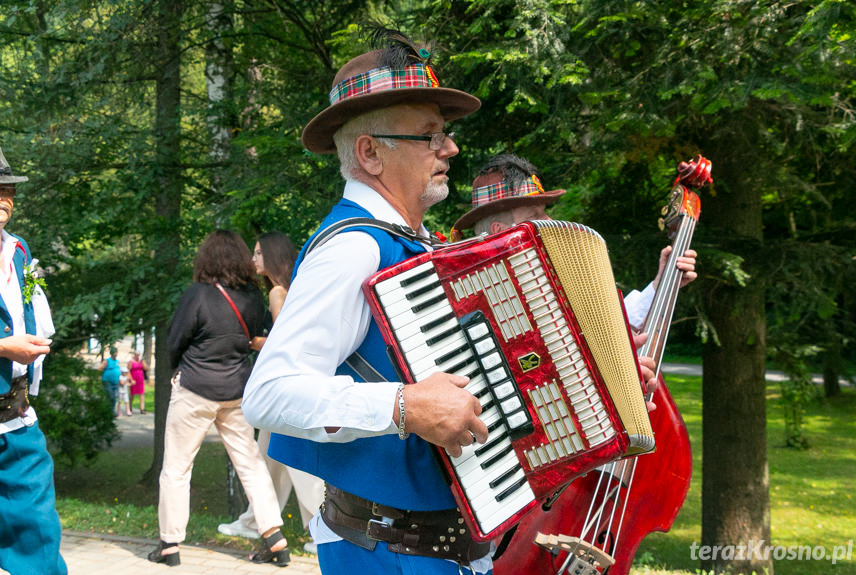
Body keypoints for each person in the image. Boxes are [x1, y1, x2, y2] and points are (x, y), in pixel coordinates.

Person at [243, 28, 660, 575]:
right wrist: (404, 407)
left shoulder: (416, 246)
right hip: (386, 555)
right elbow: (269, 394)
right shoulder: (353, 247)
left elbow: (492, 375)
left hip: (446, 550)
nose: (451, 149)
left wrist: (604, 386)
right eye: (430, 136)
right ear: (370, 153)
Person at [150, 229, 290, 568]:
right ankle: (275, 538)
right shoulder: (253, 296)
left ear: (206, 258)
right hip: (236, 392)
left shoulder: (197, 294)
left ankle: (170, 545)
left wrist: (178, 368)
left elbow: (174, 340)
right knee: (252, 466)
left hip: (195, 390)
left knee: (177, 469)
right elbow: (251, 338)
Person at [452, 154, 698, 333]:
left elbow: (610, 328)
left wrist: (660, 283)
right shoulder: (473, 301)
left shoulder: (553, 276)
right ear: (501, 232)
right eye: (535, 216)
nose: (549, 220)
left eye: (545, 212)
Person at [219, 232, 325, 556]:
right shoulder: (297, 288)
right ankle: (257, 519)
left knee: (295, 462)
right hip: (298, 383)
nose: (253, 261)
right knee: (268, 456)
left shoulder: (278, 293)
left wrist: (255, 342)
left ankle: (318, 530)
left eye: (259, 254)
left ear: (274, 257)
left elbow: (283, 343)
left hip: (284, 385)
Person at [0, 146, 67, 574]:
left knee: (39, 535)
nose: (2, 198)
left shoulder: (17, 250)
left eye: (7, 189)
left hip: (15, 415)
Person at [99, 346, 121, 414]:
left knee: (114, 397)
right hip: (107, 381)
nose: (116, 353)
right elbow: (100, 369)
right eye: (115, 352)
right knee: (110, 396)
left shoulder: (117, 361)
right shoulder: (107, 361)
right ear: (112, 353)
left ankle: (112, 411)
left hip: (116, 382)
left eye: (116, 352)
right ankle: (108, 411)